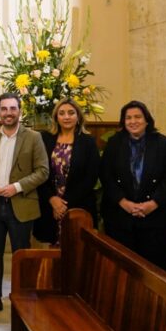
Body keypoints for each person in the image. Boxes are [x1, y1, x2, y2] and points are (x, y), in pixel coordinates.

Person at [0, 92, 48, 317]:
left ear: (20, 111)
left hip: (21, 204)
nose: (8, 113)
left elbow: (43, 171)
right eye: (4, 109)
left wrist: (17, 186)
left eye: (12, 108)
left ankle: (22, 300)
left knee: (21, 256)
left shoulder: (33, 137)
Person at [101, 101, 166, 270]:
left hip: (157, 219)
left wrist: (153, 203)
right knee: (122, 269)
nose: (133, 121)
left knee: (154, 269)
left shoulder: (163, 144)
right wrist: (124, 203)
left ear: (147, 120)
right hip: (120, 218)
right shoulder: (114, 144)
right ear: (123, 122)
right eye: (128, 118)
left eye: (137, 117)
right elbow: (107, 177)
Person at [35, 98, 101, 246]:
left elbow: (91, 177)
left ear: (78, 117)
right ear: (56, 118)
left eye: (71, 113)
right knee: (50, 257)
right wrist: (52, 199)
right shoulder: (45, 139)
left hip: (78, 205)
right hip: (49, 205)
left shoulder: (88, 142)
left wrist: (63, 205)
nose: (66, 117)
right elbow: (38, 172)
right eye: (62, 113)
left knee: (77, 253)